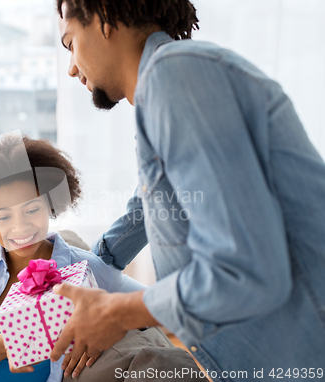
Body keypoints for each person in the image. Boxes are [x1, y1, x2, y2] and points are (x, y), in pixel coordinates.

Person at [52, 1, 325, 380]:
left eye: (70, 43)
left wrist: (115, 313)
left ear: (103, 19)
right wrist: (91, 266)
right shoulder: (165, 84)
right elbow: (153, 203)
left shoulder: (172, 77)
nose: (70, 68)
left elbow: (244, 269)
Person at [0, 133, 202, 382]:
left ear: (50, 204)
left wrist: (111, 325)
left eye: (32, 209)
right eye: (3, 217)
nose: (20, 227)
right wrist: (9, 342)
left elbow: (161, 304)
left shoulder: (85, 267)